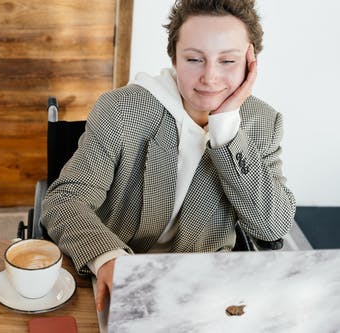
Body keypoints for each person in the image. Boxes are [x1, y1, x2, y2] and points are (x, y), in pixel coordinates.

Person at [40, 0, 296, 312]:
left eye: (227, 61)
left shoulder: (264, 123)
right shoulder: (121, 109)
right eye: (194, 59)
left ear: (250, 61)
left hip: (203, 290)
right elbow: (63, 200)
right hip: (119, 274)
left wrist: (226, 129)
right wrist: (107, 259)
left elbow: (273, 228)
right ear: (174, 57)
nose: (210, 78)